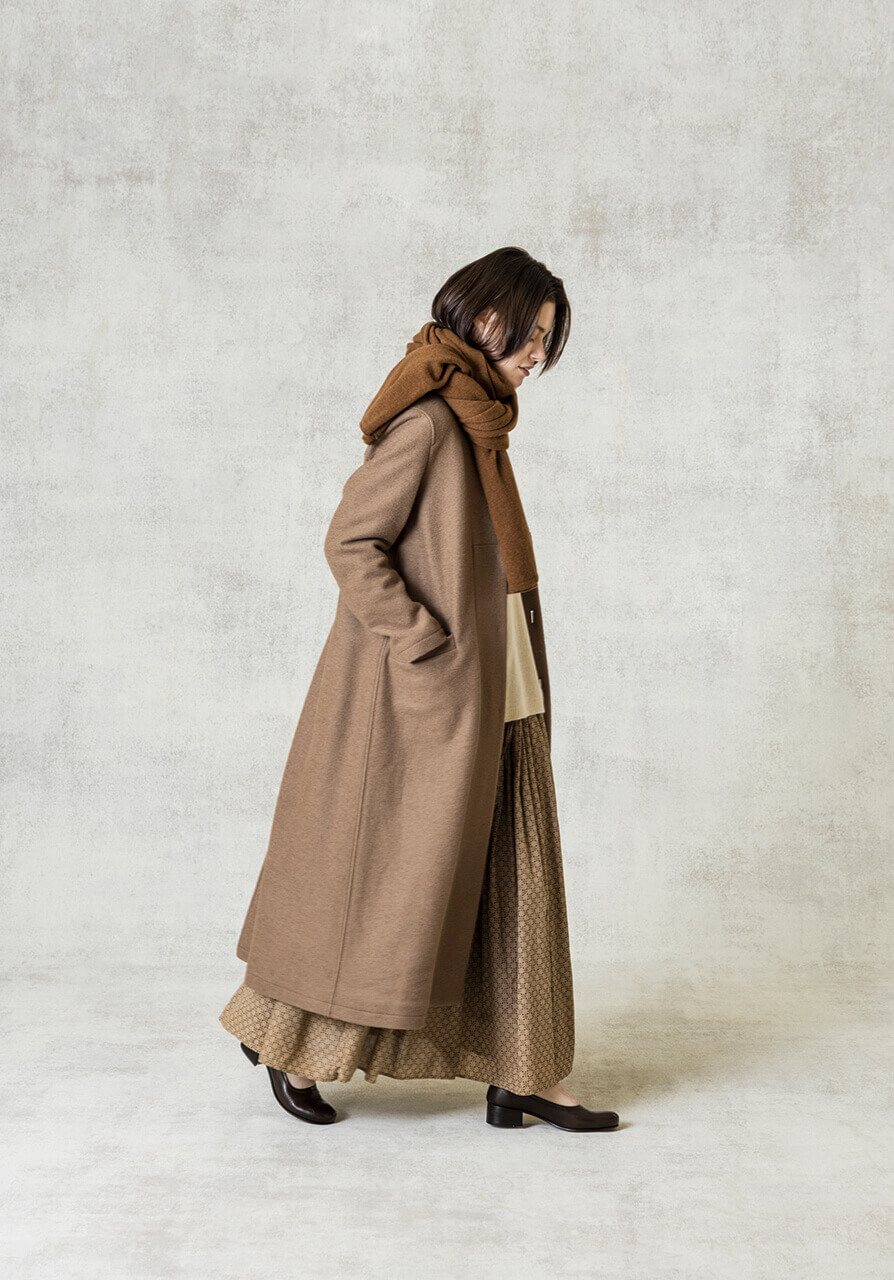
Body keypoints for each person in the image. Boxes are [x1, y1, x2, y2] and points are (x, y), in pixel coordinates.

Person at [219, 246, 620, 1134]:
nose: (538, 357)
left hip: (501, 683)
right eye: (533, 336)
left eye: (548, 343)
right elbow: (351, 543)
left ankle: (527, 1071)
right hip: (431, 698)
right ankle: (293, 1046)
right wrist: (423, 641)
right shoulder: (434, 421)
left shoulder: (480, 421)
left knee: (517, 879)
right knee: (387, 893)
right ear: (488, 319)